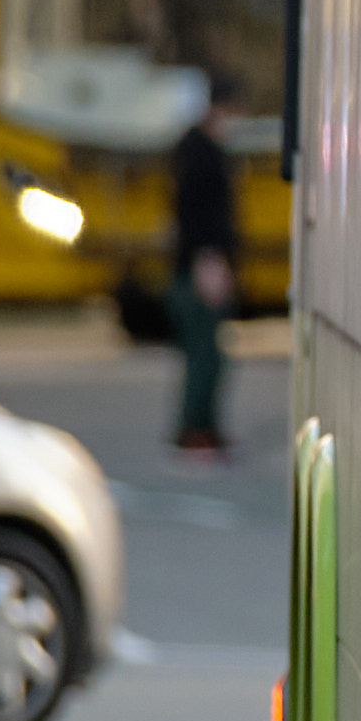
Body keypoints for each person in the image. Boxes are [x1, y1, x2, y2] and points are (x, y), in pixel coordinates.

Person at [163, 105, 240, 460]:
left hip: (196, 263)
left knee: (205, 351)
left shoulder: (191, 152)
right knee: (205, 353)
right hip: (203, 264)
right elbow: (203, 215)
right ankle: (196, 427)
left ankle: (200, 425)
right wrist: (210, 258)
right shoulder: (203, 156)